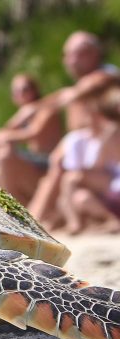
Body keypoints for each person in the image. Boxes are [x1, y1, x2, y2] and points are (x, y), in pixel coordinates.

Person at [27, 31, 119, 225]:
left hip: (107, 153)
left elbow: (72, 95)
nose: (69, 61)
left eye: (74, 54)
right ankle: (39, 216)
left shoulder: (106, 75)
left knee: (60, 162)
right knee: (57, 167)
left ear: (93, 53)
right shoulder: (81, 86)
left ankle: (34, 220)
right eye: (66, 55)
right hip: (92, 148)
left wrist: (31, 110)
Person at [0, 75, 62, 204]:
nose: (21, 94)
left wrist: (7, 136)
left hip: (46, 161)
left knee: (4, 156)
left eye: (25, 89)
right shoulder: (24, 113)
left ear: (35, 90)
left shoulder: (46, 109)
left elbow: (33, 133)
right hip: (32, 159)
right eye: (16, 92)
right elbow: (0, 135)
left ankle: (12, 206)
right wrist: (19, 118)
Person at [57, 85, 120, 234]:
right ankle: (105, 220)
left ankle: (77, 223)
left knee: (72, 181)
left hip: (110, 185)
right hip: (106, 188)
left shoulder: (111, 133)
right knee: (79, 197)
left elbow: (97, 165)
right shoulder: (102, 135)